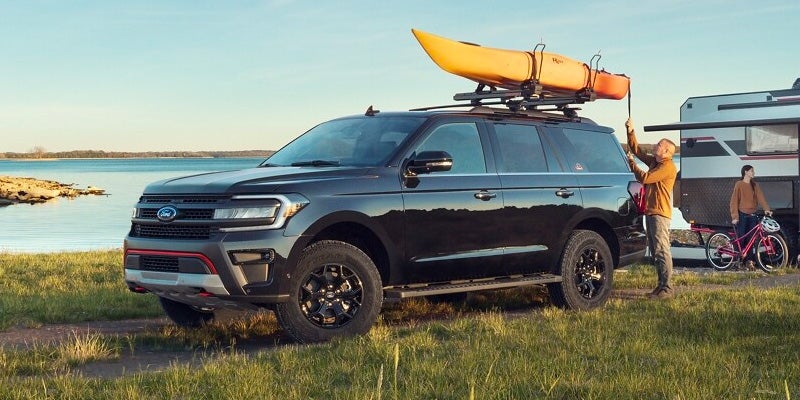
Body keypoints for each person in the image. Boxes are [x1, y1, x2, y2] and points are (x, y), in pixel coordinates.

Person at [625, 117, 678, 299]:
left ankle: (667, 288)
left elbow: (646, 178)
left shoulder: (668, 167)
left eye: (659, 145)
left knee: (662, 249)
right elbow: (637, 150)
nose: (656, 146)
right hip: (652, 212)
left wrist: (631, 163)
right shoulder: (656, 162)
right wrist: (631, 131)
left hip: (659, 213)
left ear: (667, 152)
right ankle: (661, 286)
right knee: (656, 250)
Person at [730, 165, 772, 270]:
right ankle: (737, 261)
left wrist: (766, 209)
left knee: (751, 240)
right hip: (742, 215)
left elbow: (761, 198)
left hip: (753, 215)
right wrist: (735, 216)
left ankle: (749, 262)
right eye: (752, 171)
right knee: (741, 238)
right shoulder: (739, 184)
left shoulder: (754, 185)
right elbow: (734, 201)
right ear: (746, 172)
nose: (754, 173)